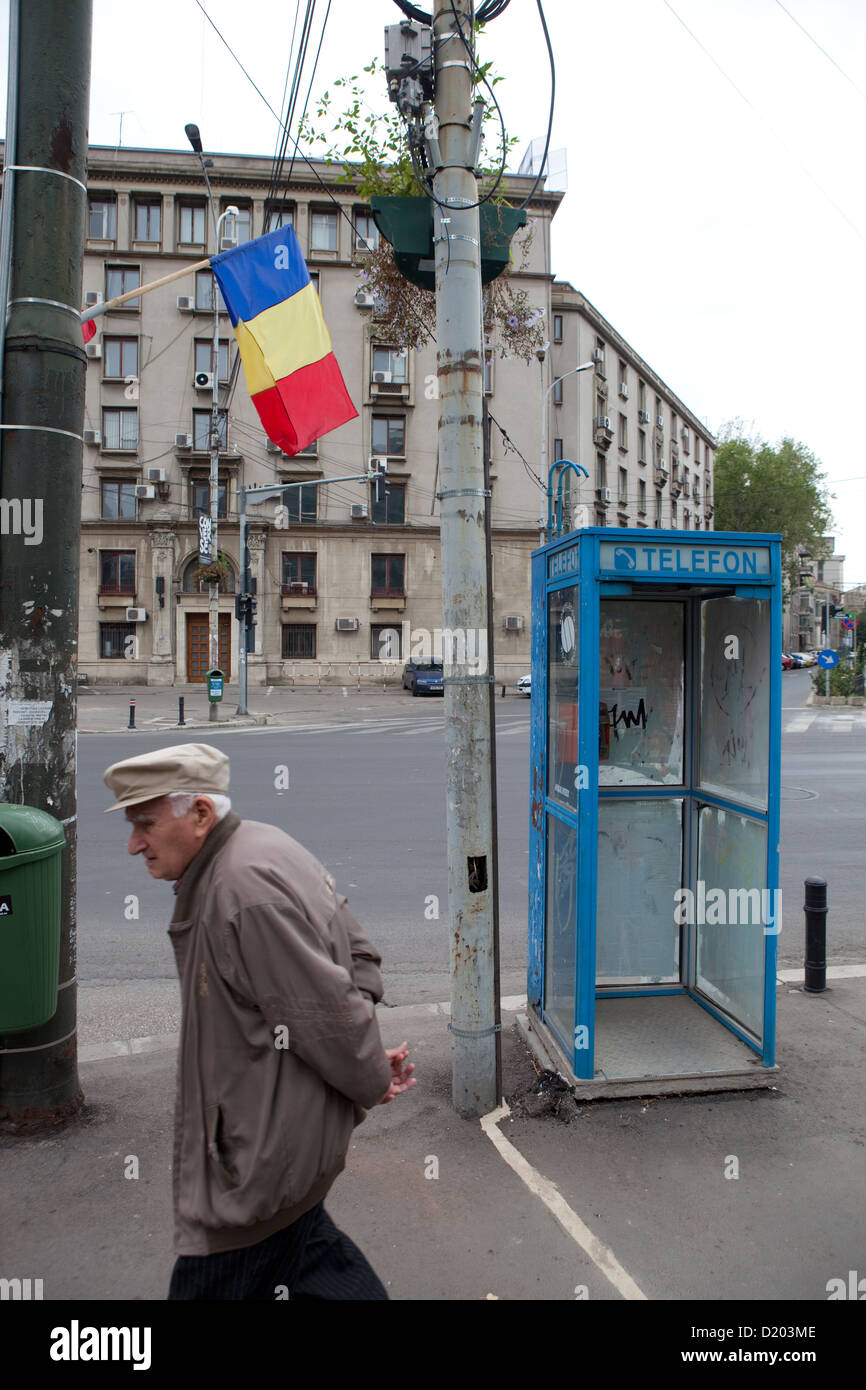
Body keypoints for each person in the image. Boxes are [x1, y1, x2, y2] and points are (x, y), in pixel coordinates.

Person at [103, 742, 415, 1301]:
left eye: (145, 825)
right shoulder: (264, 845)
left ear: (200, 814)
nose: (133, 844)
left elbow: (327, 1013)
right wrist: (362, 1061)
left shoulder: (237, 892)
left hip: (253, 1173)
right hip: (277, 1154)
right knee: (314, 1261)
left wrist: (368, 1073)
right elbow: (357, 954)